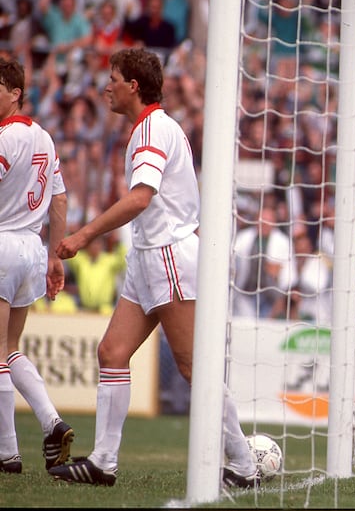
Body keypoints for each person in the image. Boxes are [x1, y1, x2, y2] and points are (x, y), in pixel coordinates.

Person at [48, 48, 257, 488]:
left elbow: (142, 197)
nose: (107, 85)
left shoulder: (152, 130)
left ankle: (243, 463)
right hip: (149, 255)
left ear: (134, 86)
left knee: (193, 367)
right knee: (112, 353)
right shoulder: (151, 127)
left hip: (168, 255)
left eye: (114, 77)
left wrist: (84, 236)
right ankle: (103, 461)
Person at [0, 57, 74, 473]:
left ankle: (8, 453)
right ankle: (52, 421)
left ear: (15, 93)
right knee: (10, 350)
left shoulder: (5, 138)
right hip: (32, 245)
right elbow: (59, 198)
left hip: (4, 243)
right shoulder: (44, 137)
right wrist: (54, 255)